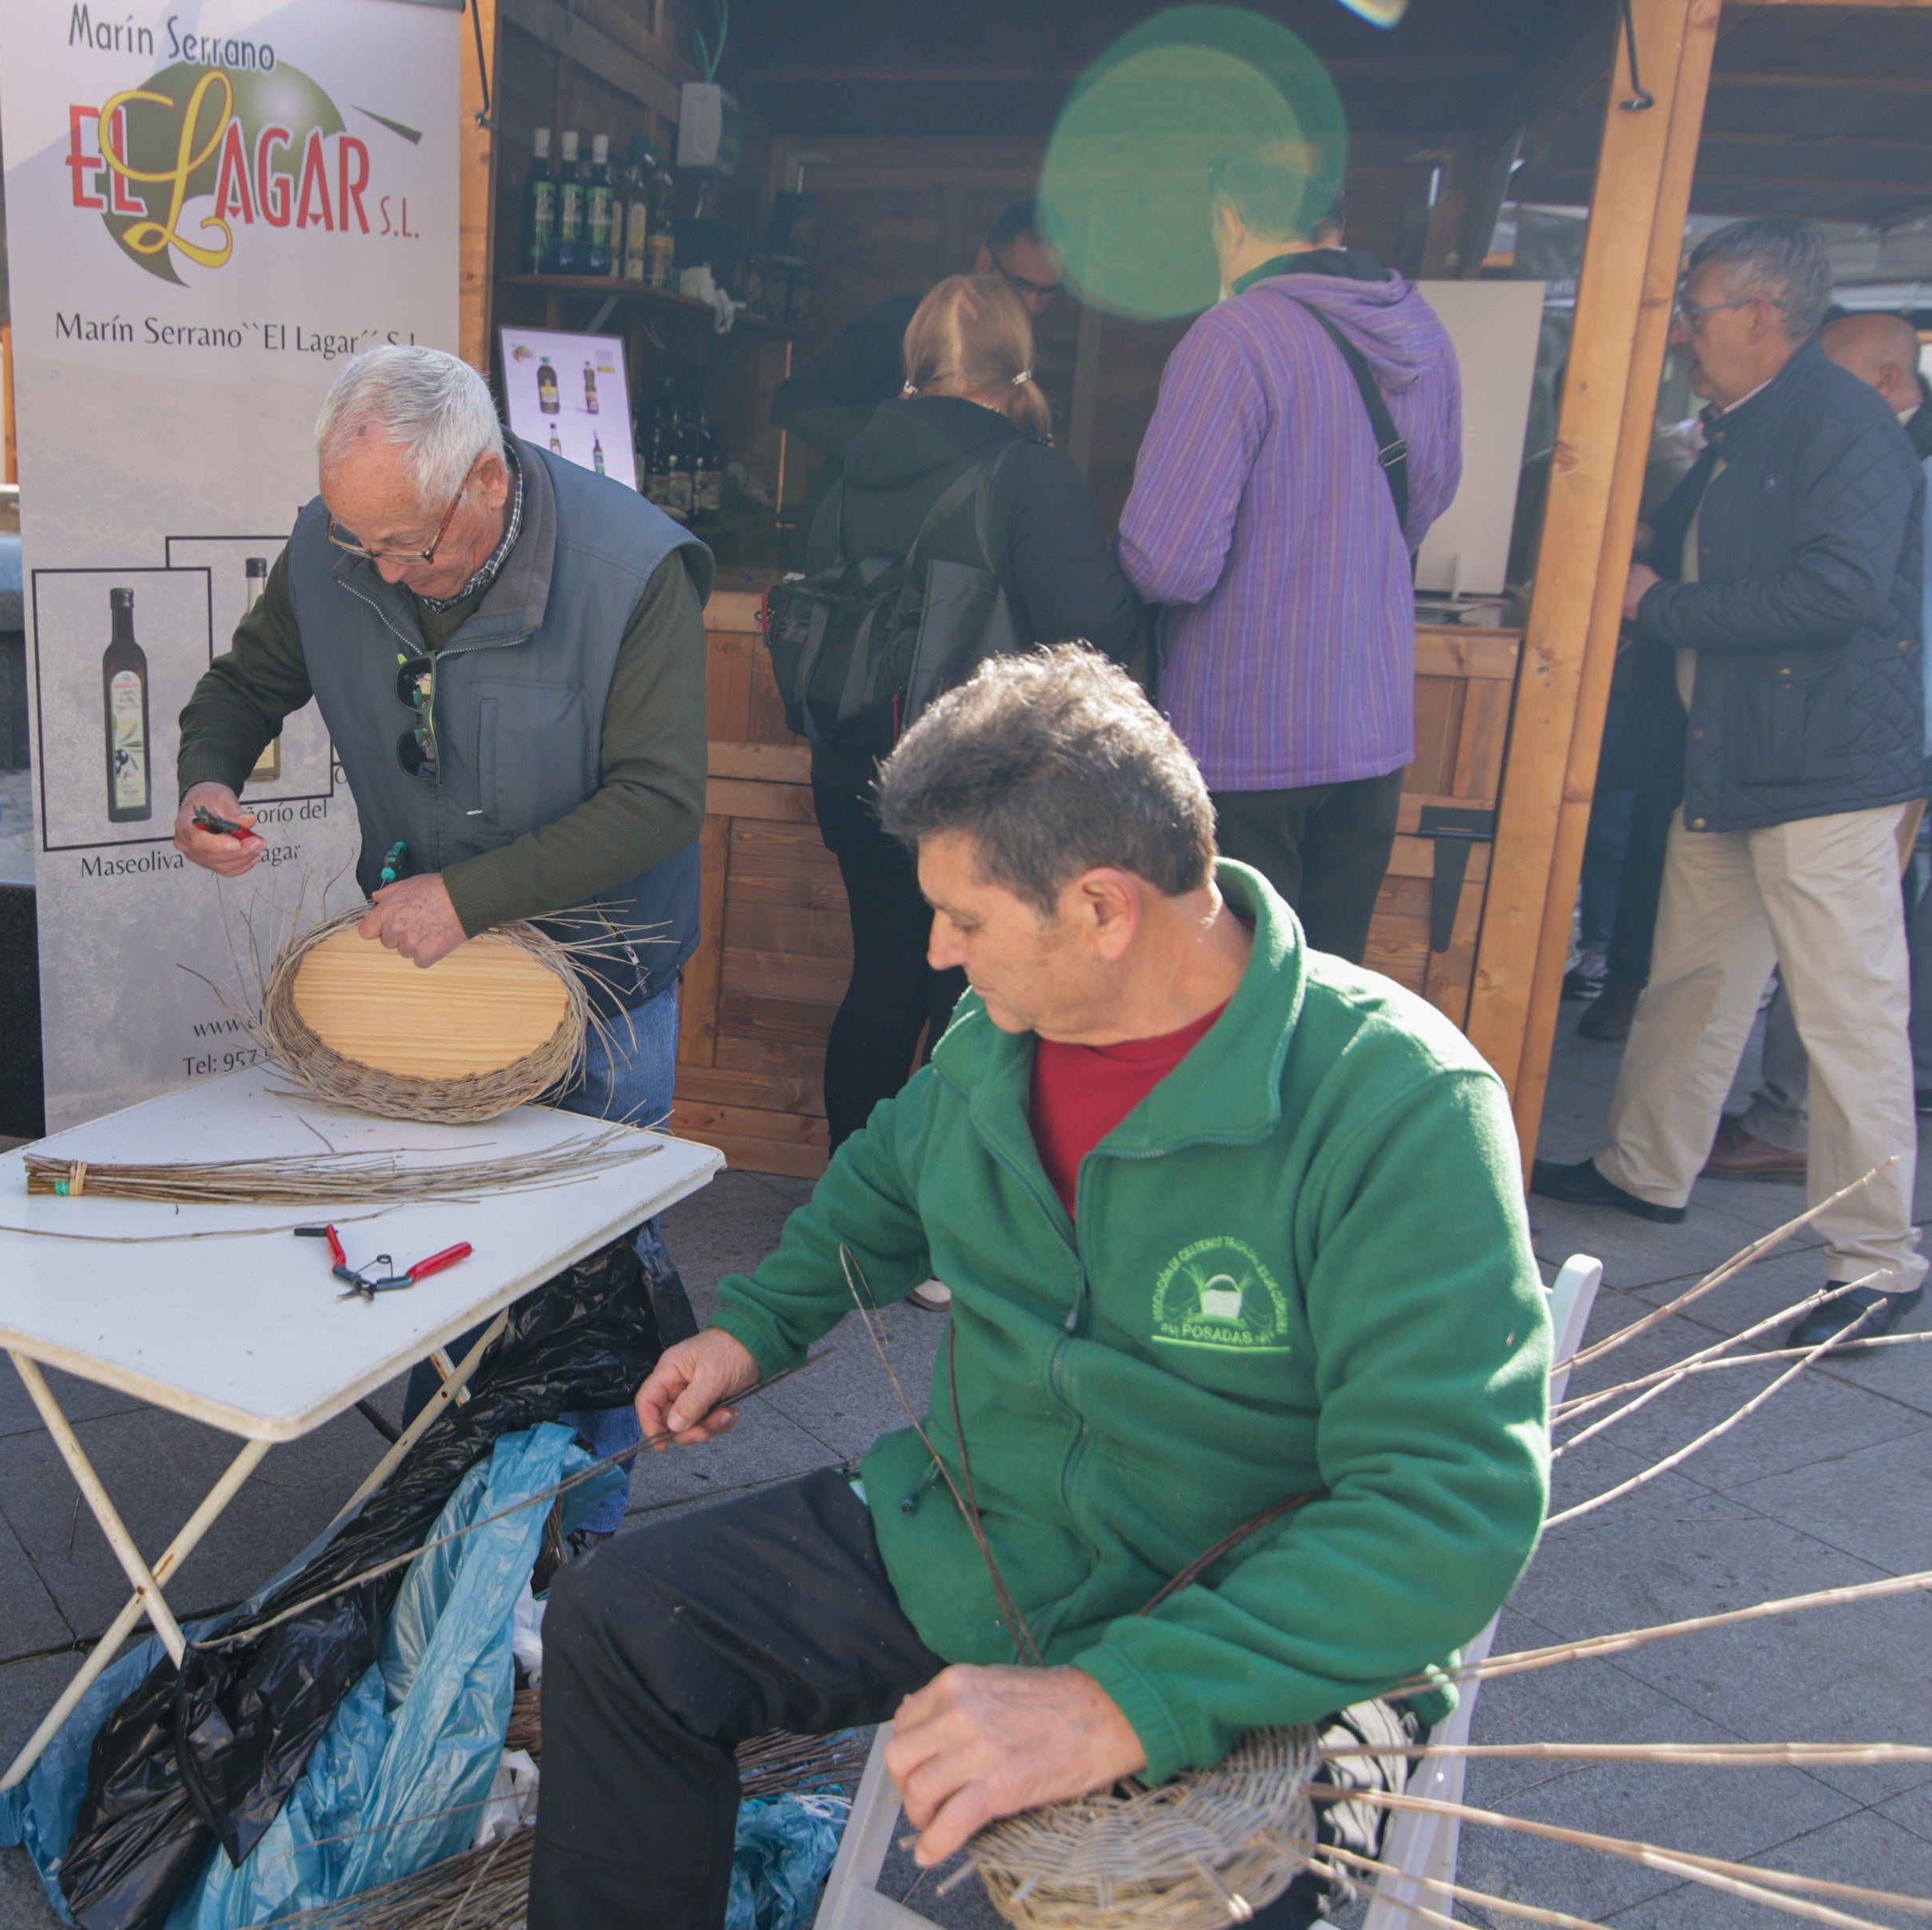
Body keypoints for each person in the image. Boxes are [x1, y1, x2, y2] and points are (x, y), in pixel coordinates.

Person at [523, 646, 1550, 1930]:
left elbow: (1445, 1502)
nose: (939, 955)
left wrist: (1117, 1701)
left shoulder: (1396, 1106)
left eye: (965, 918)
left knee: (1168, 1903)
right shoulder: (997, 1038)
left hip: (1236, 1623)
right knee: (626, 1622)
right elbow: (879, 1191)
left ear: (1104, 908)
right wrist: (752, 1331)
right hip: (982, 1531)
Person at [173, 344, 709, 1521]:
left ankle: (578, 1559)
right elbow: (242, 686)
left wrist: (470, 899)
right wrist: (209, 779)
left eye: (409, 546)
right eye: (363, 545)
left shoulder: (633, 569)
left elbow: (661, 799)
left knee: (588, 1281)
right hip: (423, 988)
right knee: (435, 1265)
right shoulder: (345, 537)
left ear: (486, 482)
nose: (385, 571)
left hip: (602, 993)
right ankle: (434, 1523)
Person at [1534, 217, 1927, 1348]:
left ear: (1763, 313)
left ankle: (1880, 1260)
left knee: (1849, 1014)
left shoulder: (1841, 426)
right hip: (1744, 756)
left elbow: (1840, 593)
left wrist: (1659, 600)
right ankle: (1645, 1169)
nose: (1683, 334)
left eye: (1695, 310)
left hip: (1825, 765)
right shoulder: (1757, 422)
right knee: (1694, 985)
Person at [805, 275, 1140, 1161]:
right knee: (973, 1001)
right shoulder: (1027, 472)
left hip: (856, 765)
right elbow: (1097, 626)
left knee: (879, 976)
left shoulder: (848, 467)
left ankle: (851, 1205)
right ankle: (947, 1229)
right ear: (1016, 364)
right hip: (979, 784)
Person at [1119, 143, 1462, 965]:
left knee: (1227, 1001)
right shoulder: (1420, 331)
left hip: (1248, 736)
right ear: (1333, 219)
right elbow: (1430, 497)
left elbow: (1171, 563)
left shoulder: (1233, 338)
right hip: (1371, 729)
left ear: (1231, 221)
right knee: (1326, 991)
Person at [1709, 313, 1932, 1184]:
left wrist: (1672, 605)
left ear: (1886, 382)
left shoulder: (1862, 441)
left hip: (1850, 747)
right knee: (1768, 979)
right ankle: (1668, 1160)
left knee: (1848, 993)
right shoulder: (1839, 437)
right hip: (1805, 739)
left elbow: (1846, 598)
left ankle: (1873, 1244)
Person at [769, 200, 1065, 462]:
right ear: (985, 261)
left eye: (1046, 292)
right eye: (1021, 286)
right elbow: (796, 400)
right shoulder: (903, 318)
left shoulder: (1022, 352)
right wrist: (886, 449)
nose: (1030, 304)